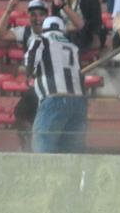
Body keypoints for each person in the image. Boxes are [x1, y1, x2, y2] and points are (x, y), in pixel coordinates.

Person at [26, 16, 87, 153]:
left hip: (54, 99)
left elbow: (30, 62)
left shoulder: (40, 39)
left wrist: (29, 72)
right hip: (78, 102)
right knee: (72, 154)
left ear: (45, 28)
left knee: (43, 150)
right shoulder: (73, 46)